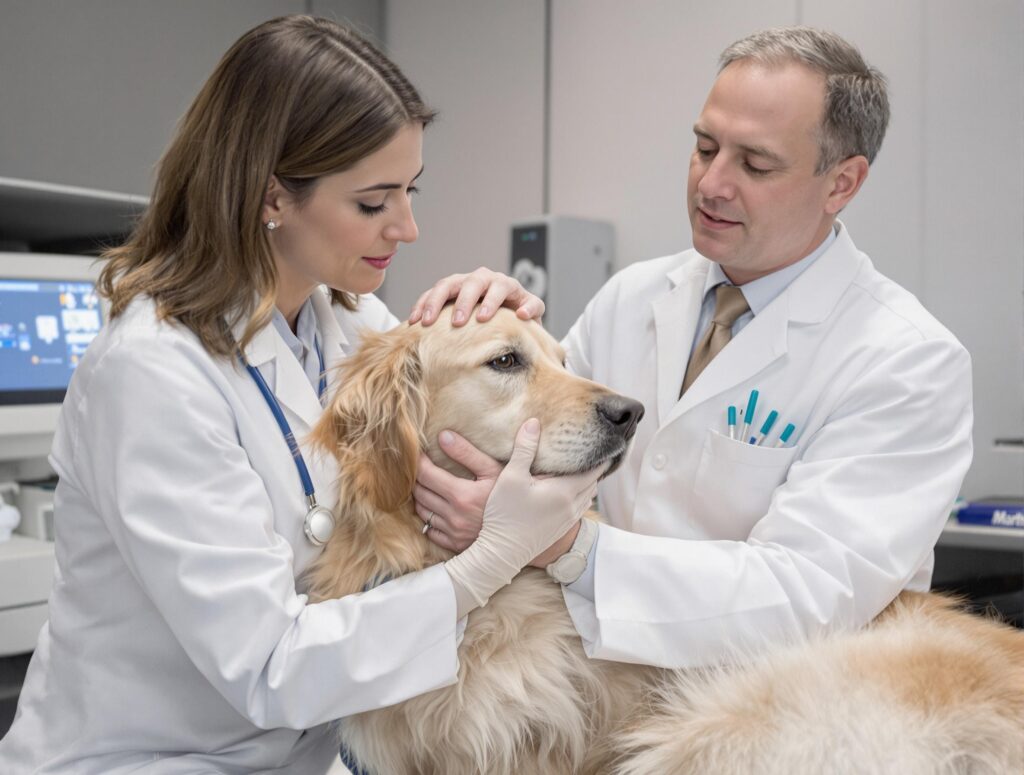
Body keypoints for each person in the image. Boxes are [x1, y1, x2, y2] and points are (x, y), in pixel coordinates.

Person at [0, 16, 599, 774]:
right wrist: (489, 561)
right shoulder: (151, 373)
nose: (408, 228)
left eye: (410, 191)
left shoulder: (342, 319)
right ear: (271, 196)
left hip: (303, 754)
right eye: (374, 202)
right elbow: (269, 665)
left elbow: (480, 408)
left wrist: (506, 322)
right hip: (147, 756)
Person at [412, 26, 973, 667]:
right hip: (595, 694)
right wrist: (481, 331)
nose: (711, 185)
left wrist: (562, 546)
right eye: (705, 148)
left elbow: (806, 597)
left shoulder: (909, 360)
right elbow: (533, 455)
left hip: (773, 717)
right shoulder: (632, 298)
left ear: (842, 183)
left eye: (755, 165)